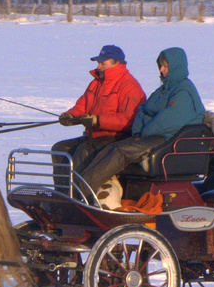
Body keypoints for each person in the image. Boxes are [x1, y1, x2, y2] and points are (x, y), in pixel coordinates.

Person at [79, 46, 206, 202]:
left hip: (168, 140)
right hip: (151, 135)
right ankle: (81, 189)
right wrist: (138, 131)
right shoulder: (163, 90)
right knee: (111, 148)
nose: (162, 69)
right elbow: (142, 110)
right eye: (160, 65)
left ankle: (79, 191)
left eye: (166, 66)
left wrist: (144, 130)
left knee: (121, 151)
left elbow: (168, 121)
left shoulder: (184, 91)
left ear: (176, 67)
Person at [51, 44, 145, 196]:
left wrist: (97, 121)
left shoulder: (129, 85)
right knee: (60, 148)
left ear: (117, 63)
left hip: (116, 138)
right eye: (98, 63)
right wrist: (71, 116)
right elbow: (83, 105)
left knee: (83, 151)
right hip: (94, 135)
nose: (99, 66)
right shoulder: (97, 82)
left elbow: (128, 119)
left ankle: (76, 196)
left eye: (103, 63)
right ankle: (62, 194)